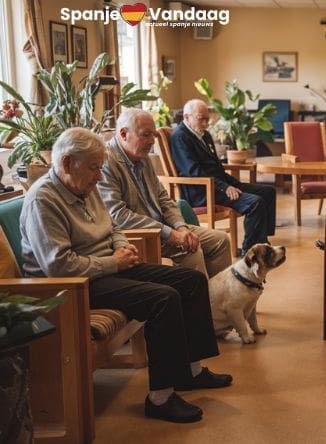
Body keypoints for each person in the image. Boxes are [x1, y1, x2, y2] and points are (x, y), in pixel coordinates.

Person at [20, 128, 232, 423]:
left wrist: (122, 248)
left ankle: (190, 371)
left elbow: (113, 227)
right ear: (67, 163)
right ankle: (160, 398)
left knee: (191, 280)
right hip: (71, 287)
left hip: (105, 269)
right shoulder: (42, 200)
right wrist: (113, 263)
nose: (99, 175)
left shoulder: (85, 187)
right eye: (94, 167)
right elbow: (59, 266)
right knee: (163, 298)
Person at [97, 109, 231, 277]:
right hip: (138, 234)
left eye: (153, 135)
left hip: (163, 228)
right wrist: (169, 234)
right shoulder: (106, 162)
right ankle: (200, 301)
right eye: (146, 135)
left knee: (221, 240)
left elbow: (163, 198)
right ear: (124, 134)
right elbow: (118, 215)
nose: (152, 141)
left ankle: (218, 299)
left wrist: (180, 228)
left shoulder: (142, 157)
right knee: (192, 250)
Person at [171, 99, 276, 254]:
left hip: (218, 185)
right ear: (186, 117)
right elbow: (193, 171)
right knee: (255, 203)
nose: (206, 123)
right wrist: (225, 187)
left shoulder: (203, 134)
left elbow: (216, 167)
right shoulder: (180, 137)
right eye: (201, 119)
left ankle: (261, 241)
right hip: (203, 191)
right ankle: (250, 250)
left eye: (207, 118)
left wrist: (232, 183)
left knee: (268, 192)